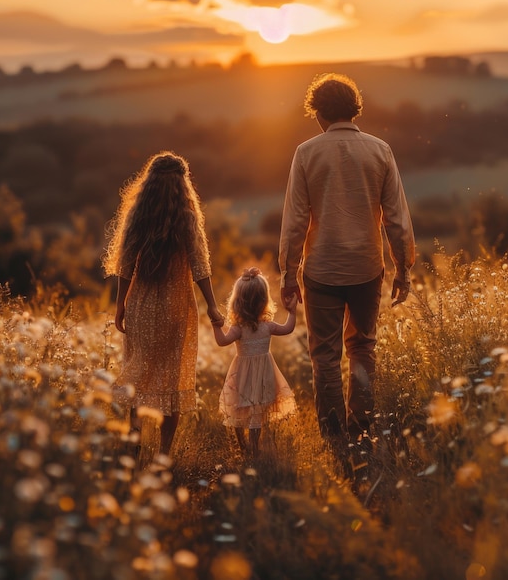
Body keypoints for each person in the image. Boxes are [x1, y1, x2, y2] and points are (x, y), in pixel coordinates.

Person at [278, 72, 415, 448]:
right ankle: (362, 427)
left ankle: (334, 434)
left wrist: (288, 275)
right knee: (363, 346)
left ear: (319, 112)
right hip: (367, 269)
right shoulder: (380, 150)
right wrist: (404, 269)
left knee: (324, 355)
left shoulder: (306, 153)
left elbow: (294, 223)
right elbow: (397, 219)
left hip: (321, 270)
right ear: (354, 109)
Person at [103, 151, 223, 465]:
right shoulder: (187, 216)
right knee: (173, 380)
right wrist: (211, 305)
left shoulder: (137, 216)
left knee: (138, 376)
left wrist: (120, 306)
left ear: (149, 184)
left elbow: (125, 265)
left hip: (141, 306)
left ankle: (132, 442)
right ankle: (164, 454)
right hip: (176, 308)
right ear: (183, 184)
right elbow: (200, 266)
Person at [212, 266, 298, 458]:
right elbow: (288, 328)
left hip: (242, 374)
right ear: (263, 300)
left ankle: (247, 448)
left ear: (237, 302)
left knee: (240, 408)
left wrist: (215, 326)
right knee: (255, 411)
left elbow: (221, 341)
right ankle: (252, 448)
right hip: (259, 374)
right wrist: (292, 312)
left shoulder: (239, 328)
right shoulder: (265, 326)